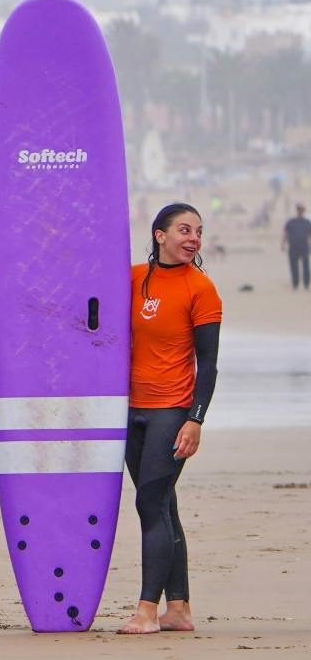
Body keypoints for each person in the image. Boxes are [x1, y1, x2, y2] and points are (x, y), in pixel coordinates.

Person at [120, 203, 221, 635]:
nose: (193, 238)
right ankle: (178, 608)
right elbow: (74, 300)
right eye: (184, 229)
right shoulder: (132, 277)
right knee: (164, 505)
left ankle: (147, 610)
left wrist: (194, 420)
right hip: (130, 409)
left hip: (171, 410)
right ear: (159, 235)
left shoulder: (201, 288)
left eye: (198, 231)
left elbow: (209, 363)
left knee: (150, 503)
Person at [285, 203, 311, 291]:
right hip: (293, 247)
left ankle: (306, 284)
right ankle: (295, 284)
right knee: (294, 267)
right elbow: (285, 233)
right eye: (299, 209)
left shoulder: (307, 222)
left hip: (304, 246)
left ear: (303, 211)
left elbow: (310, 234)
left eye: (301, 209)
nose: (300, 211)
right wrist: (283, 244)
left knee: (306, 267)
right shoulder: (291, 222)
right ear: (297, 210)